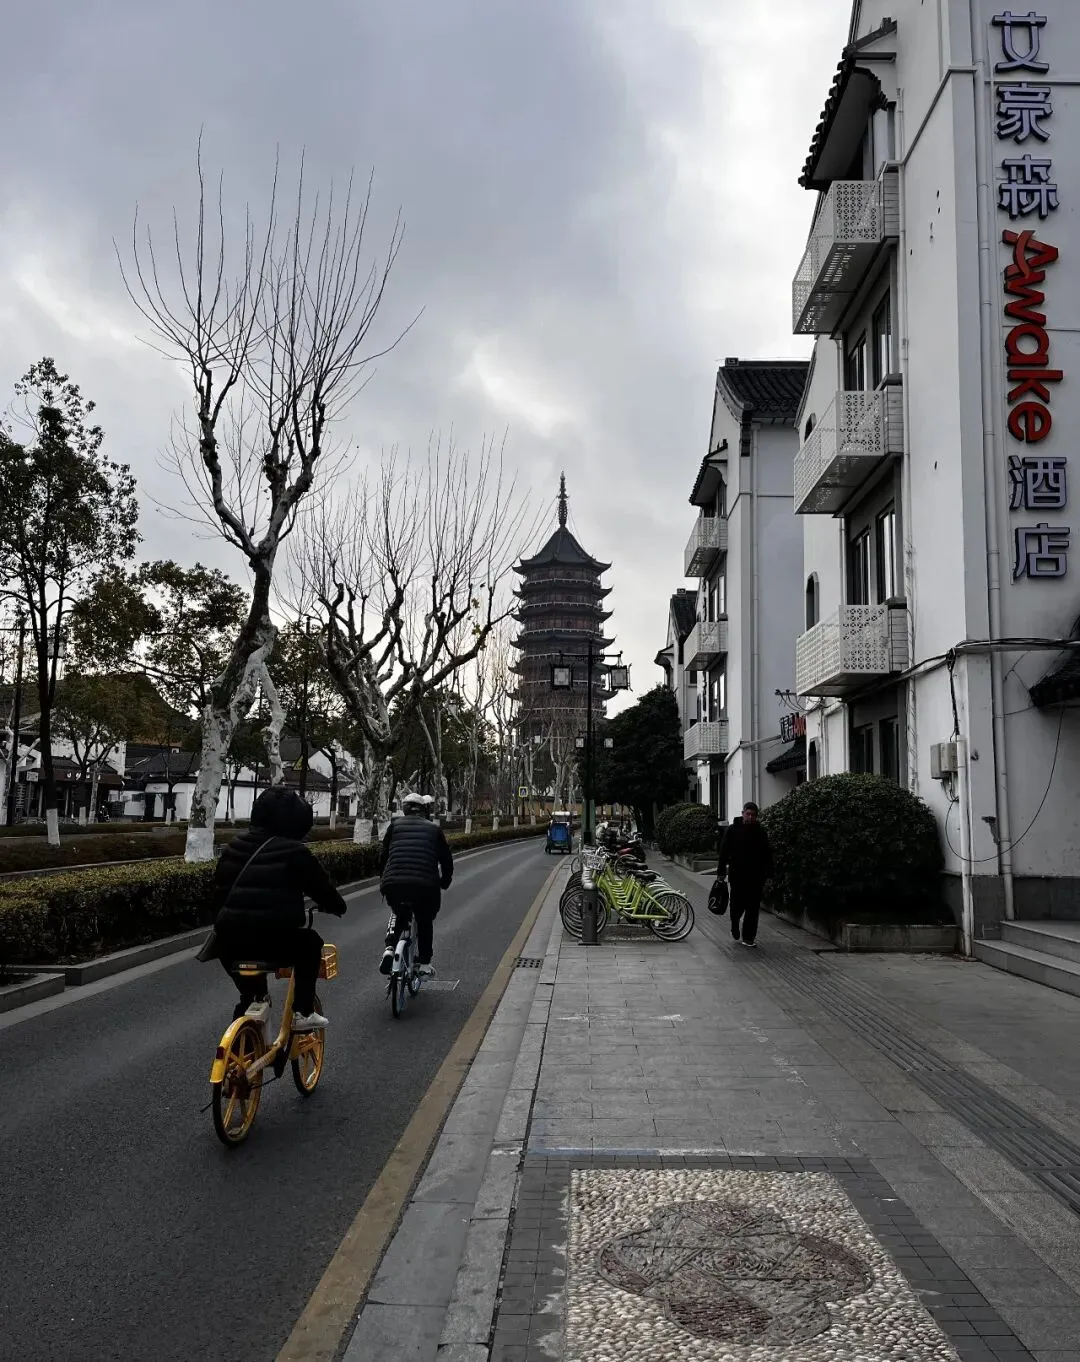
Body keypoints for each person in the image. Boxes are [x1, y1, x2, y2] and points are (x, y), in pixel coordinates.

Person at [212, 786, 348, 1032]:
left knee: (250, 995)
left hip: (228, 943)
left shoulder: (234, 846)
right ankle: (303, 1012)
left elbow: (219, 892)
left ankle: (240, 1042)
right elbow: (325, 892)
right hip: (273, 942)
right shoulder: (295, 852)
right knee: (310, 943)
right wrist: (336, 907)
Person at [379, 792, 454, 976]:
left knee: (397, 912)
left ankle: (389, 948)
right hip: (425, 886)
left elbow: (383, 856)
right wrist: (445, 881)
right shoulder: (434, 829)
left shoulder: (394, 826)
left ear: (404, 809)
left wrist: (384, 878)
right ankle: (425, 963)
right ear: (424, 810)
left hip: (394, 882)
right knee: (425, 919)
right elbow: (446, 859)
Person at [716, 801, 773, 948]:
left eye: (753, 815)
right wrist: (721, 872)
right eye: (748, 814)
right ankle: (735, 922)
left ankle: (748, 937)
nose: (750, 817)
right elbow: (723, 852)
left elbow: (766, 854)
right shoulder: (732, 830)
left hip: (756, 876)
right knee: (737, 904)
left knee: (753, 908)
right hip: (737, 875)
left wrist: (769, 874)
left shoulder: (760, 832)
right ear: (743, 813)